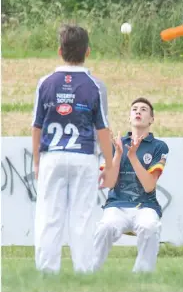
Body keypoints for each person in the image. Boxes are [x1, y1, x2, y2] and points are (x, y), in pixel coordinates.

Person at [32, 24, 117, 274]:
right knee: (82, 217)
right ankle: (84, 272)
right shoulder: (95, 85)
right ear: (88, 52)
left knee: (49, 216)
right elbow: (102, 129)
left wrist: (37, 160)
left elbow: (37, 126)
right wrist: (110, 165)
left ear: (60, 51)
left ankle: (47, 272)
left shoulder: (45, 83)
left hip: (52, 156)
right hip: (83, 157)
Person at [93, 97, 169, 273]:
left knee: (150, 227)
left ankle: (142, 275)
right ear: (129, 117)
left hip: (146, 206)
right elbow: (110, 183)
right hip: (117, 205)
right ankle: (90, 272)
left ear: (151, 119)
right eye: (134, 109)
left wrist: (133, 156)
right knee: (105, 227)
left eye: (143, 109)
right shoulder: (115, 144)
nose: (138, 112)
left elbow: (149, 186)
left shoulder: (159, 146)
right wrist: (119, 153)